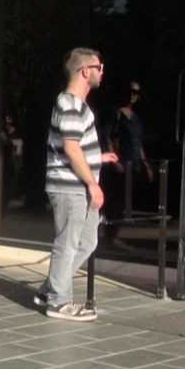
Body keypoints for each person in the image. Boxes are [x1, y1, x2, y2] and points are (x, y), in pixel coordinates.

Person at [36, 48, 120, 321]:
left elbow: (75, 146)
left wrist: (98, 156)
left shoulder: (77, 106)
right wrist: (93, 184)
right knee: (68, 243)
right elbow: (71, 149)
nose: (102, 71)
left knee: (86, 241)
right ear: (86, 71)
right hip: (70, 186)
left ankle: (50, 289)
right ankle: (59, 302)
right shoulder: (70, 105)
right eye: (100, 66)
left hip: (79, 186)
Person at [104, 80, 154, 249]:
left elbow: (138, 143)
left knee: (122, 201)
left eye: (136, 92)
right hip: (121, 165)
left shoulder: (136, 118)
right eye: (130, 91)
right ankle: (110, 236)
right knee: (115, 201)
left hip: (134, 166)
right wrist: (115, 161)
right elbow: (107, 137)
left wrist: (146, 165)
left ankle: (113, 235)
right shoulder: (116, 113)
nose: (133, 94)